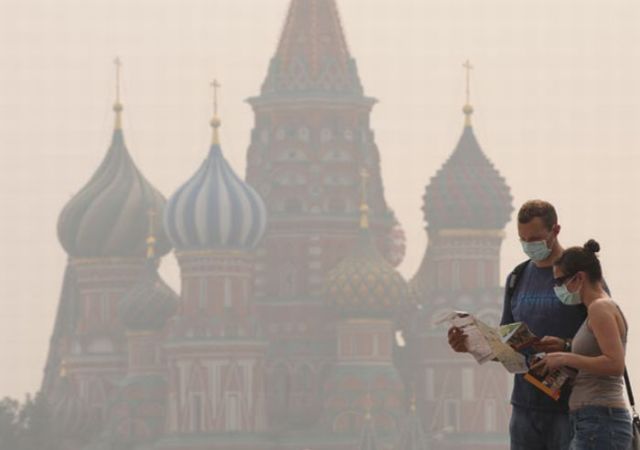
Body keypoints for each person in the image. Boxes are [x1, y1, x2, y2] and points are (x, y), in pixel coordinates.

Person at [448, 200, 588, 450]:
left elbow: (609, 340)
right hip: (525, 407)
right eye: (522, 239)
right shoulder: (517, 278)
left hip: (571, 408)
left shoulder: (580, 275)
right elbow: (507, 349)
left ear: (555, 231)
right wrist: (472, 345)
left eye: (535, 239)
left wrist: (566, 346)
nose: (528, 245)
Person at [533, 240, 631, 450]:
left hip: (601, 419)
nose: (558, 289)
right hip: (591, 419)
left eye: (560, 282)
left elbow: (615, 364)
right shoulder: (595, 309)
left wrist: (565, 357)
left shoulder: (600, 308)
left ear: (579, 277)